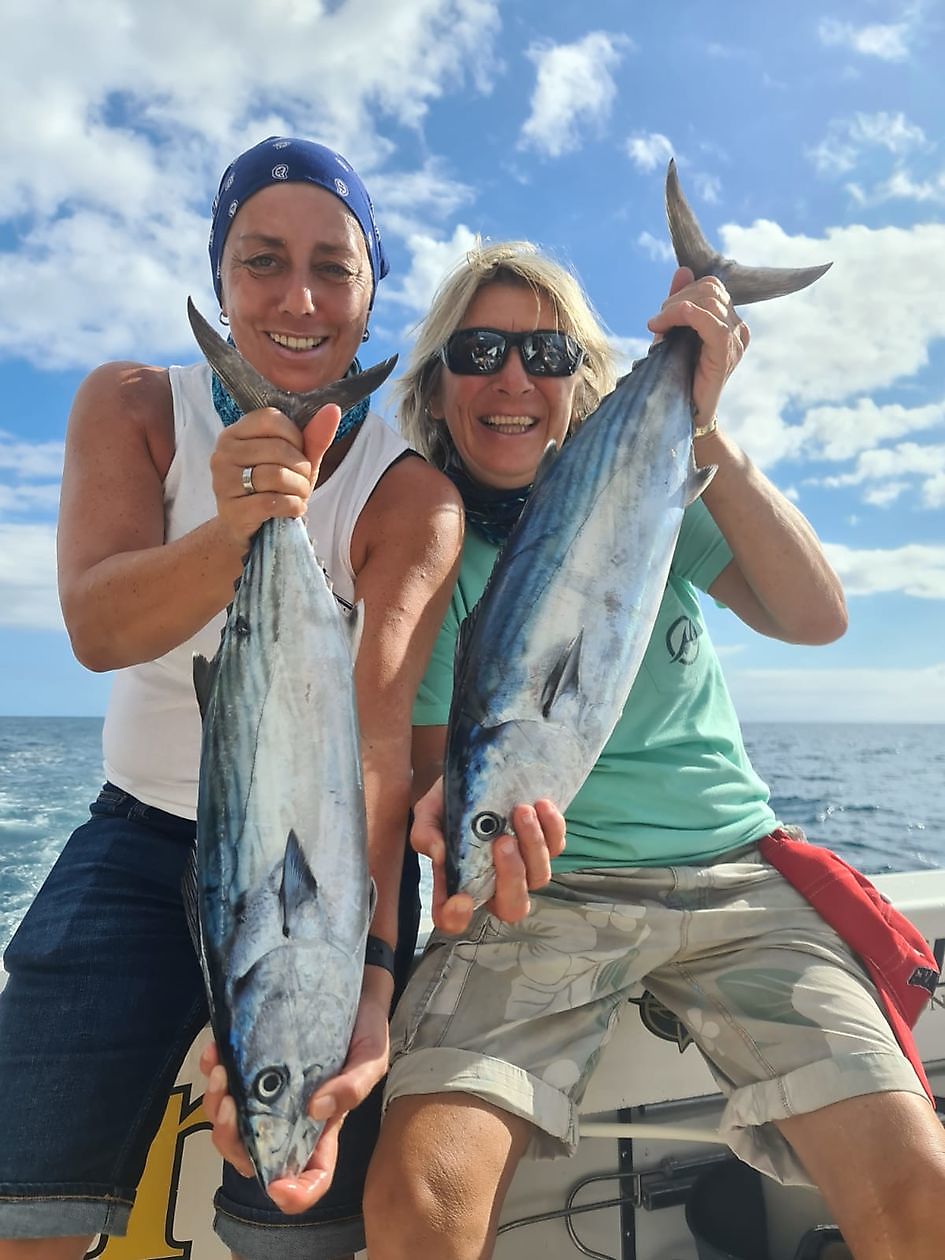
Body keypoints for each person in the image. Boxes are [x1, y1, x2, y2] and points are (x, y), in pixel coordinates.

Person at [357, 240, 945, 1260]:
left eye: (546, 355)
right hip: (543, 893)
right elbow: (442, 768)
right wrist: (457, 830)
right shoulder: (430, 545)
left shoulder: (652, 494)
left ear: (577, 382)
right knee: (419, 1202)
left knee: (918, 1184)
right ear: (437, 382)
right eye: (480, 350)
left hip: (734, 881)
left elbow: (816, 617)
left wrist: (703, 420)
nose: (512, 379)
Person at [0, 136, 466, 1260]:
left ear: (371, 295)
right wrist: (242, 526)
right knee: (20, 1205)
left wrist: (368, 969)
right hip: (136, 840)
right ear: (220, 276)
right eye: (262, 261)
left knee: (296, 1223)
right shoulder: (132, 403)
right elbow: (98, 628)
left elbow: (375, 743)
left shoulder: (412, 495)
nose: (298, 299)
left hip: (324, 857)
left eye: (333, 269)